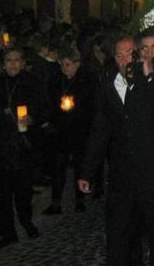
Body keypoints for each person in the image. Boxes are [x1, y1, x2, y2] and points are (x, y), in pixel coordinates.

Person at [78, 35, 154, 266]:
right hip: (122, 178)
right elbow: (100, 129)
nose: (125, 60)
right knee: (120, 238)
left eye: (129, 54)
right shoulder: (108, 84)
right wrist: (87, 171)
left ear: (140, 54)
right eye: (119, 55)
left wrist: (150, 77)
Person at [0, 47, 44, 246]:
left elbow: (43, 107)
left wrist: (33, 118)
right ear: (3, 63)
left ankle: (27, 222)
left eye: (16, 60)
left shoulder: (32, 82)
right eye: (8, 60)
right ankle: (8, 232)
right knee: (2, 194)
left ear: (23, 62)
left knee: (23, 191)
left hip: (22, 146)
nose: (12, 64)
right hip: (0, 145)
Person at [44, 47, 95, 215]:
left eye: (68, 65)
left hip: (80, 130)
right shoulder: (56, 80)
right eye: (62, 65)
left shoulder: (86, 80)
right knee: (58, 168)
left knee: (80, 166)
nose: (65, 68)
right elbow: (50, 102)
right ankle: (56, 202)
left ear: (77, 64)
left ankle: (80, 199)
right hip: (61, 130)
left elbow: (90, 106)